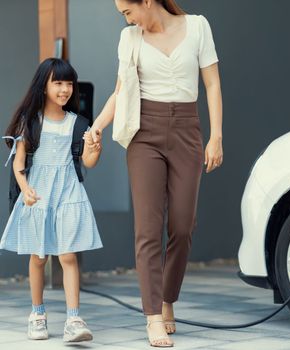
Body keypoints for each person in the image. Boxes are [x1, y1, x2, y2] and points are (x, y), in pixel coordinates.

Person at [89, 0, 223, 347]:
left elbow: (211, 84)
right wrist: (98, 127)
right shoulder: (129, 39)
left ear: (147, 2)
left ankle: (167, 300)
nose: (126, 19)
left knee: (182, 225)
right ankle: (152, 317)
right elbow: (121, 92)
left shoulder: (197, 27)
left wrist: (216, 136)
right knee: (148, 227)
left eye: (128, 11)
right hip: (144, 134)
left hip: (187, 131)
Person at [0, 58, 103, 342]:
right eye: (58, 82)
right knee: (39, 256)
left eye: (69, 83)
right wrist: (25, 188)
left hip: (69, 192)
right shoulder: (30, 122)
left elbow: (89, 162)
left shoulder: (79, 123)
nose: (65, 89)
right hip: (39, 194)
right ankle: (37, 314)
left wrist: (95, 146)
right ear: (43, 86)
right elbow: (19, 163)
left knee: (68, 255)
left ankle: (73, 318)